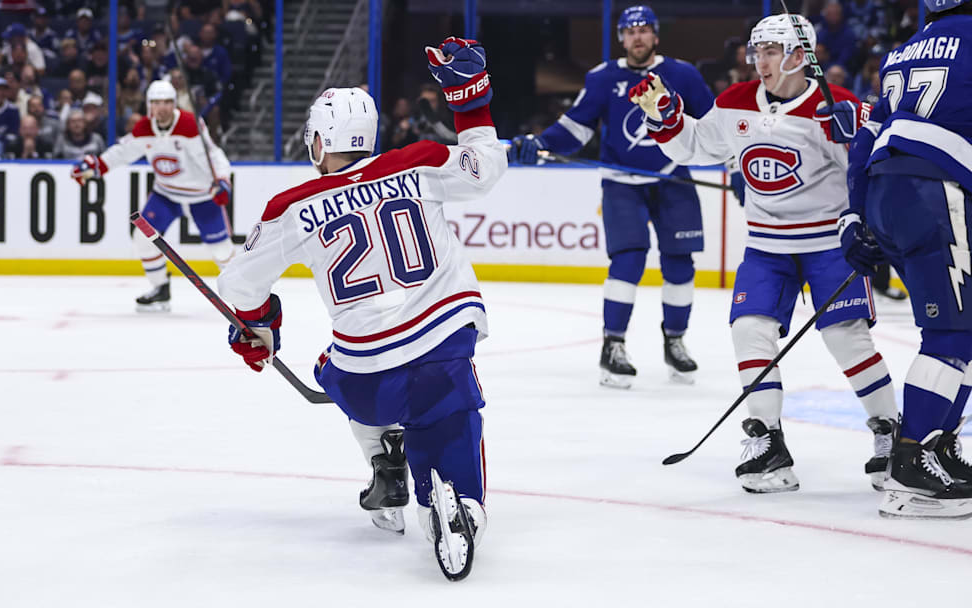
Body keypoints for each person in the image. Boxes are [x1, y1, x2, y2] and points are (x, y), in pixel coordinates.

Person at [216, 37, 504, 581]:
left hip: (367, 371)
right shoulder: (417, 161)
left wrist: (258, 327)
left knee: (332, 368)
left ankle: (384, 457)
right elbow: (486, 166)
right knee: (448, 415)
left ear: (320, 141)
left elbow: (241, 283)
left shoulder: (291, 205)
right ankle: (461, 507)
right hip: (443, 344)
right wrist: (470, 101)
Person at [630, 13, 899, 493]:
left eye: (771, 51)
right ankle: (767, 441)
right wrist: (666, 117)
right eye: (757, 51)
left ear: (800, 56)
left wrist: (859, 139)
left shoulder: (837, 105)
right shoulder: (735, 102)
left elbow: (874, 173)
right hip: (766, 246)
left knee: (845, 337)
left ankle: (889, 432)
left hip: (828, 243)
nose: (759, 61)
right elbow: (693, 146)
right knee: (749, 331)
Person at [510, 5, 715, 388]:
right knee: (628, 260)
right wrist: (539, 144)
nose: (637, 37)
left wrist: (737, 165)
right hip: (621, 181)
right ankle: (613, 346)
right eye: (629, 31)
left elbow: (715, 126)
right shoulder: (603, 78)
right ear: (621, 38)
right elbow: (576, 126)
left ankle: (675, 342)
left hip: (673, 179)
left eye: (643, 30)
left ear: (655, 36)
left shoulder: (683, 75)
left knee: (680, 265)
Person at [839, 0, 972, 518]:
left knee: (961, 328)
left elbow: (866, 138)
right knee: (952, 333)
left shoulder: (899, 52)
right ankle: (913, 466)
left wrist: (855, 215)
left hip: (887, 192)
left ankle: (936, 449)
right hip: (935, 192)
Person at [71, 79, 234, 312]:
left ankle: (240, 292)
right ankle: (160, 289)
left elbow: (213, 154)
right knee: (143, 238)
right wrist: (97, 165)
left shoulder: (189, 125)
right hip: (166, 193)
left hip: (201, 195)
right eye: (157, 103)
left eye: (167, 102)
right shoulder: (144, 129)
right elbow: (122, 152)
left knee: (221, 249)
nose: (162, 108)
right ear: (149, 106)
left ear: (175, 104)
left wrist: (222, 181)